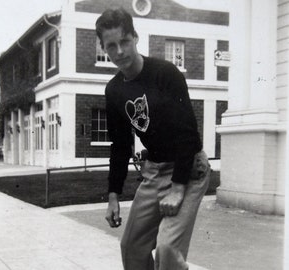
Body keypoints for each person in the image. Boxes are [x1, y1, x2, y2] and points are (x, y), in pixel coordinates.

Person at [95, 8, 211, 270]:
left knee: (168, 251)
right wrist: (113, 196)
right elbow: (120, 146)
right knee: (131, 247)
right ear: (103, 47)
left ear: (135, 37)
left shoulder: (165, 74)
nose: (120, 51)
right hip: (155, 171)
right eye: (111, 46)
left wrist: (178, 188)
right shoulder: (114, 90)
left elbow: (188, 135)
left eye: (124, 41)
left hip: (188, 168)